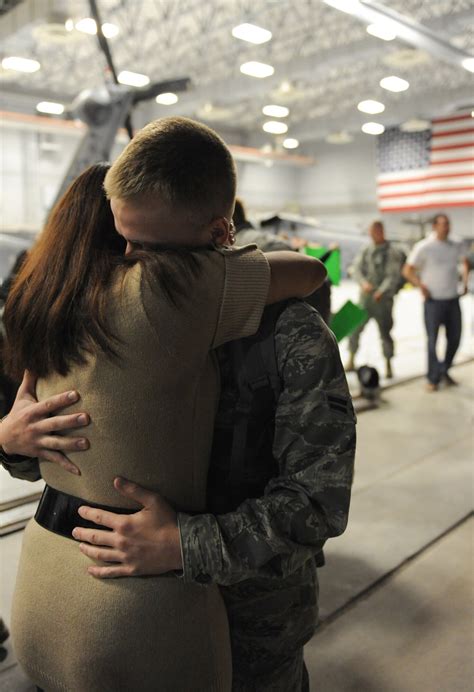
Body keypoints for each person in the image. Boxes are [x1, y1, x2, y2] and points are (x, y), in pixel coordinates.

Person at [1, 117, 326, 692]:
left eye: (147, 246)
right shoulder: (152, 297)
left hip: (223, 614)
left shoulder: (288, 332)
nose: (129, 256)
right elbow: (310, 270)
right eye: (122, 239)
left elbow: (318, 500)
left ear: (217, 230)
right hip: (147, 607)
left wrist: (7, 436)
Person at [1, 292, 355, 692]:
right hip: (121, 627)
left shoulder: (283, 328)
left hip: (251, 630)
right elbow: (75, 460)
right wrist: (15, 442)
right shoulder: (104, 316)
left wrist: (186, 544)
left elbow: (318, 503)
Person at [403, 213, 470, 391]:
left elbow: (465, 262)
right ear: (435, 226)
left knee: (455, 338)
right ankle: (433, 378)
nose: (446, 227)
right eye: (442, 224)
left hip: (452, 299)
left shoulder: (456, 244)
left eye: (448, 224)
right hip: (433, 301)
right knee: (433, 341)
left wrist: (464, 281)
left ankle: (444, 370)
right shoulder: (424, 247)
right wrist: (420, 286)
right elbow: (408, 270)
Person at [346, 221, 405, 379]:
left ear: (381, 231)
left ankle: (388, 363)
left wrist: (382, 291)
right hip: (366, 298)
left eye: (375, 231)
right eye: (371, 232)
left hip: (383, 301)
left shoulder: (391, 252)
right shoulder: (366, 250)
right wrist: (363, 283)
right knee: (355, 329)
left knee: (385, 333)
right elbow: (356, 268)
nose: (373, 234)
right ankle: (351, 358)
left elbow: (393, 275)